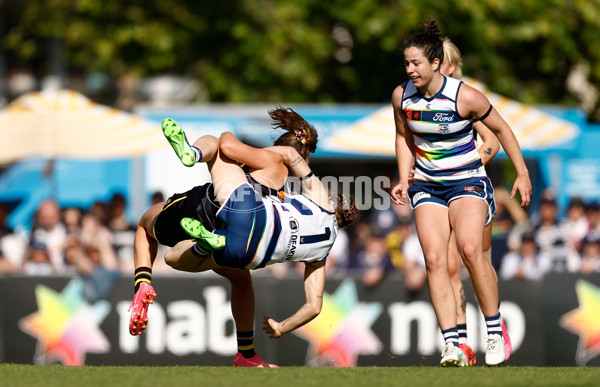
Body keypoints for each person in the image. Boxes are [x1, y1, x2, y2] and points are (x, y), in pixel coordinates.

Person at [128, 108, 321, 367]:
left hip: (206, 205)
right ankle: (246, 354)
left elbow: (228, 145)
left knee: (144, 225)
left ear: (280, 146)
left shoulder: (270, 160)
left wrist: (230, 132)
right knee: (241, 279)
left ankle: (143, 282)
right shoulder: (287, 190)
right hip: (234, 233)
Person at [390, 20, 532, 367]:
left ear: (436, 63)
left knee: (470, 250)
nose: (410, 70)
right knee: (436, 261)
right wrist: (403, 176)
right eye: (407, 63)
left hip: (467, 181)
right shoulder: (401, 96)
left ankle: (495, 332)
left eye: (416, 63)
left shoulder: (464, 96)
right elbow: (402, 136)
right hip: (427, 186)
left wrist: (523, 173)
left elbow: (502, 131)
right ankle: (453, 345)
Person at [159, 120, 358, 340]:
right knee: (172, 258)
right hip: (250, 255)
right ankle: (205, 244)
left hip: (253, 214)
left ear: (333, 200)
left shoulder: (322, 200)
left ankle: (194, 153)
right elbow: (314, 307)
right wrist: (282, 327)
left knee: (217, 146)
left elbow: (290, 155)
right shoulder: (321, 255)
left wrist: (272, 150)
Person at [440, 38, 513, 366]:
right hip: (441, 193)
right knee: (449, 266)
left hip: (471, 190)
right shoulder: (421, 101)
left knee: (476, 259)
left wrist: (465, 169)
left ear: (451, 66)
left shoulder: (463, 97)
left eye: (438, 60)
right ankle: (462, 344)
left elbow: (492, 140)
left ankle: (496, 329)